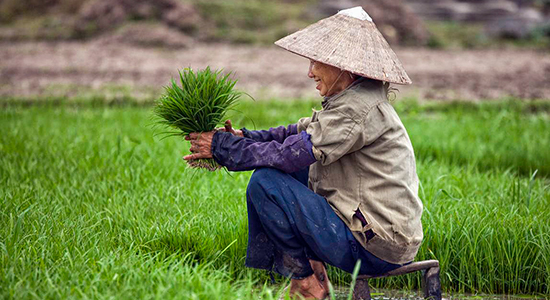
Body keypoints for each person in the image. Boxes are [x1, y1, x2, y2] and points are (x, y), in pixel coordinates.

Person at [184, 7, 423, 300]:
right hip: (382, 237)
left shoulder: (356, 110)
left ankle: (306, 282)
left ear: (343, 68)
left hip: (375, 246)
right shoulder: (352, 98)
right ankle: (310, 269)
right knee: (290, 173)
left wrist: (221, 148)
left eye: (316, 63)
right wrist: (241, 137)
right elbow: (294, 135)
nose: (310, 72)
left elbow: (289, 155)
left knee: (266, 183)